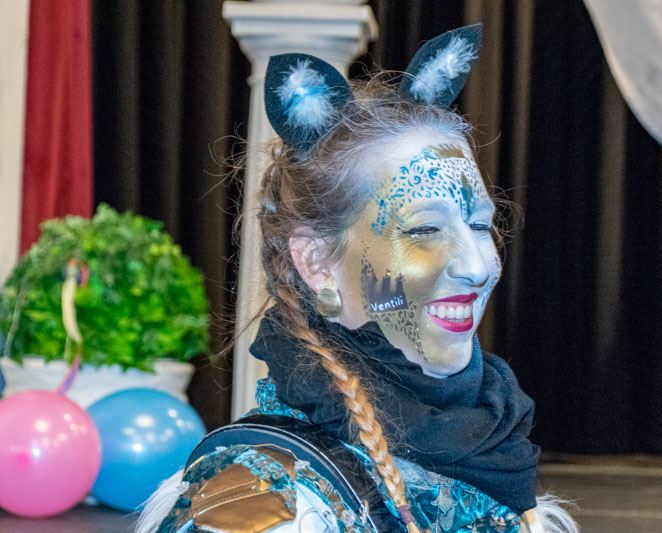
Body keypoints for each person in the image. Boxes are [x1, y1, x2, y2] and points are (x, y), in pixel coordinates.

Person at [136, 25, 577, 533]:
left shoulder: (495, 447)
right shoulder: (264, 506)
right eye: (424, 230)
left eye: (479, 225)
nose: (477, 266)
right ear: (317, 262)